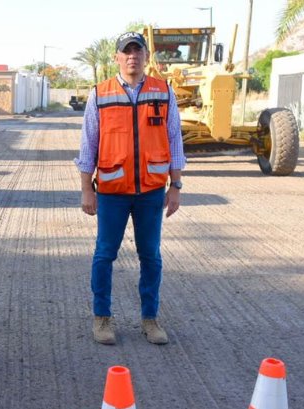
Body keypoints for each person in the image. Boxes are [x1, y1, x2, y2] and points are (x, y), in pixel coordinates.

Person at [75, 32, 185, 346]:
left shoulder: (163, 93)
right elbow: (88, 145)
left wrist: (175, 185)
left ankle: (150, 320)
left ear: (146, 57)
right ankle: (102, 318)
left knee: (150, 256)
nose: (132, 57)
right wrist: (87, 189)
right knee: (104, 254)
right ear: (117, 58)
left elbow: (175, 141)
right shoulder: (100, 94)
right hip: (111, 191)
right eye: (127, 52)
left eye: (138, 51)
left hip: (150, 191)